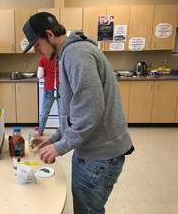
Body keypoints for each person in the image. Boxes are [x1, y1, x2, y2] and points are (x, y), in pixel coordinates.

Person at [22, 12, 134, 214]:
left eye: (37, 45)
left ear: (49, 34)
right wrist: (55, 138)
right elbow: (74, 109)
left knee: (87, 211)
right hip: (90, 148)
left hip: (100, 155)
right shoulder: (69, 53)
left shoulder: (76, 54)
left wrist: (60, 147)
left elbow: (90, 110)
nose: (36, 51)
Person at [36, 55, 59, 136]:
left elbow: (40, 75)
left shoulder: (43, 58)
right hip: (60, 86)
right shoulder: (60, 55)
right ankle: (64, 132)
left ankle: (40, 131)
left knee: (45, 110)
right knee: (62, 111)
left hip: (49, 86)